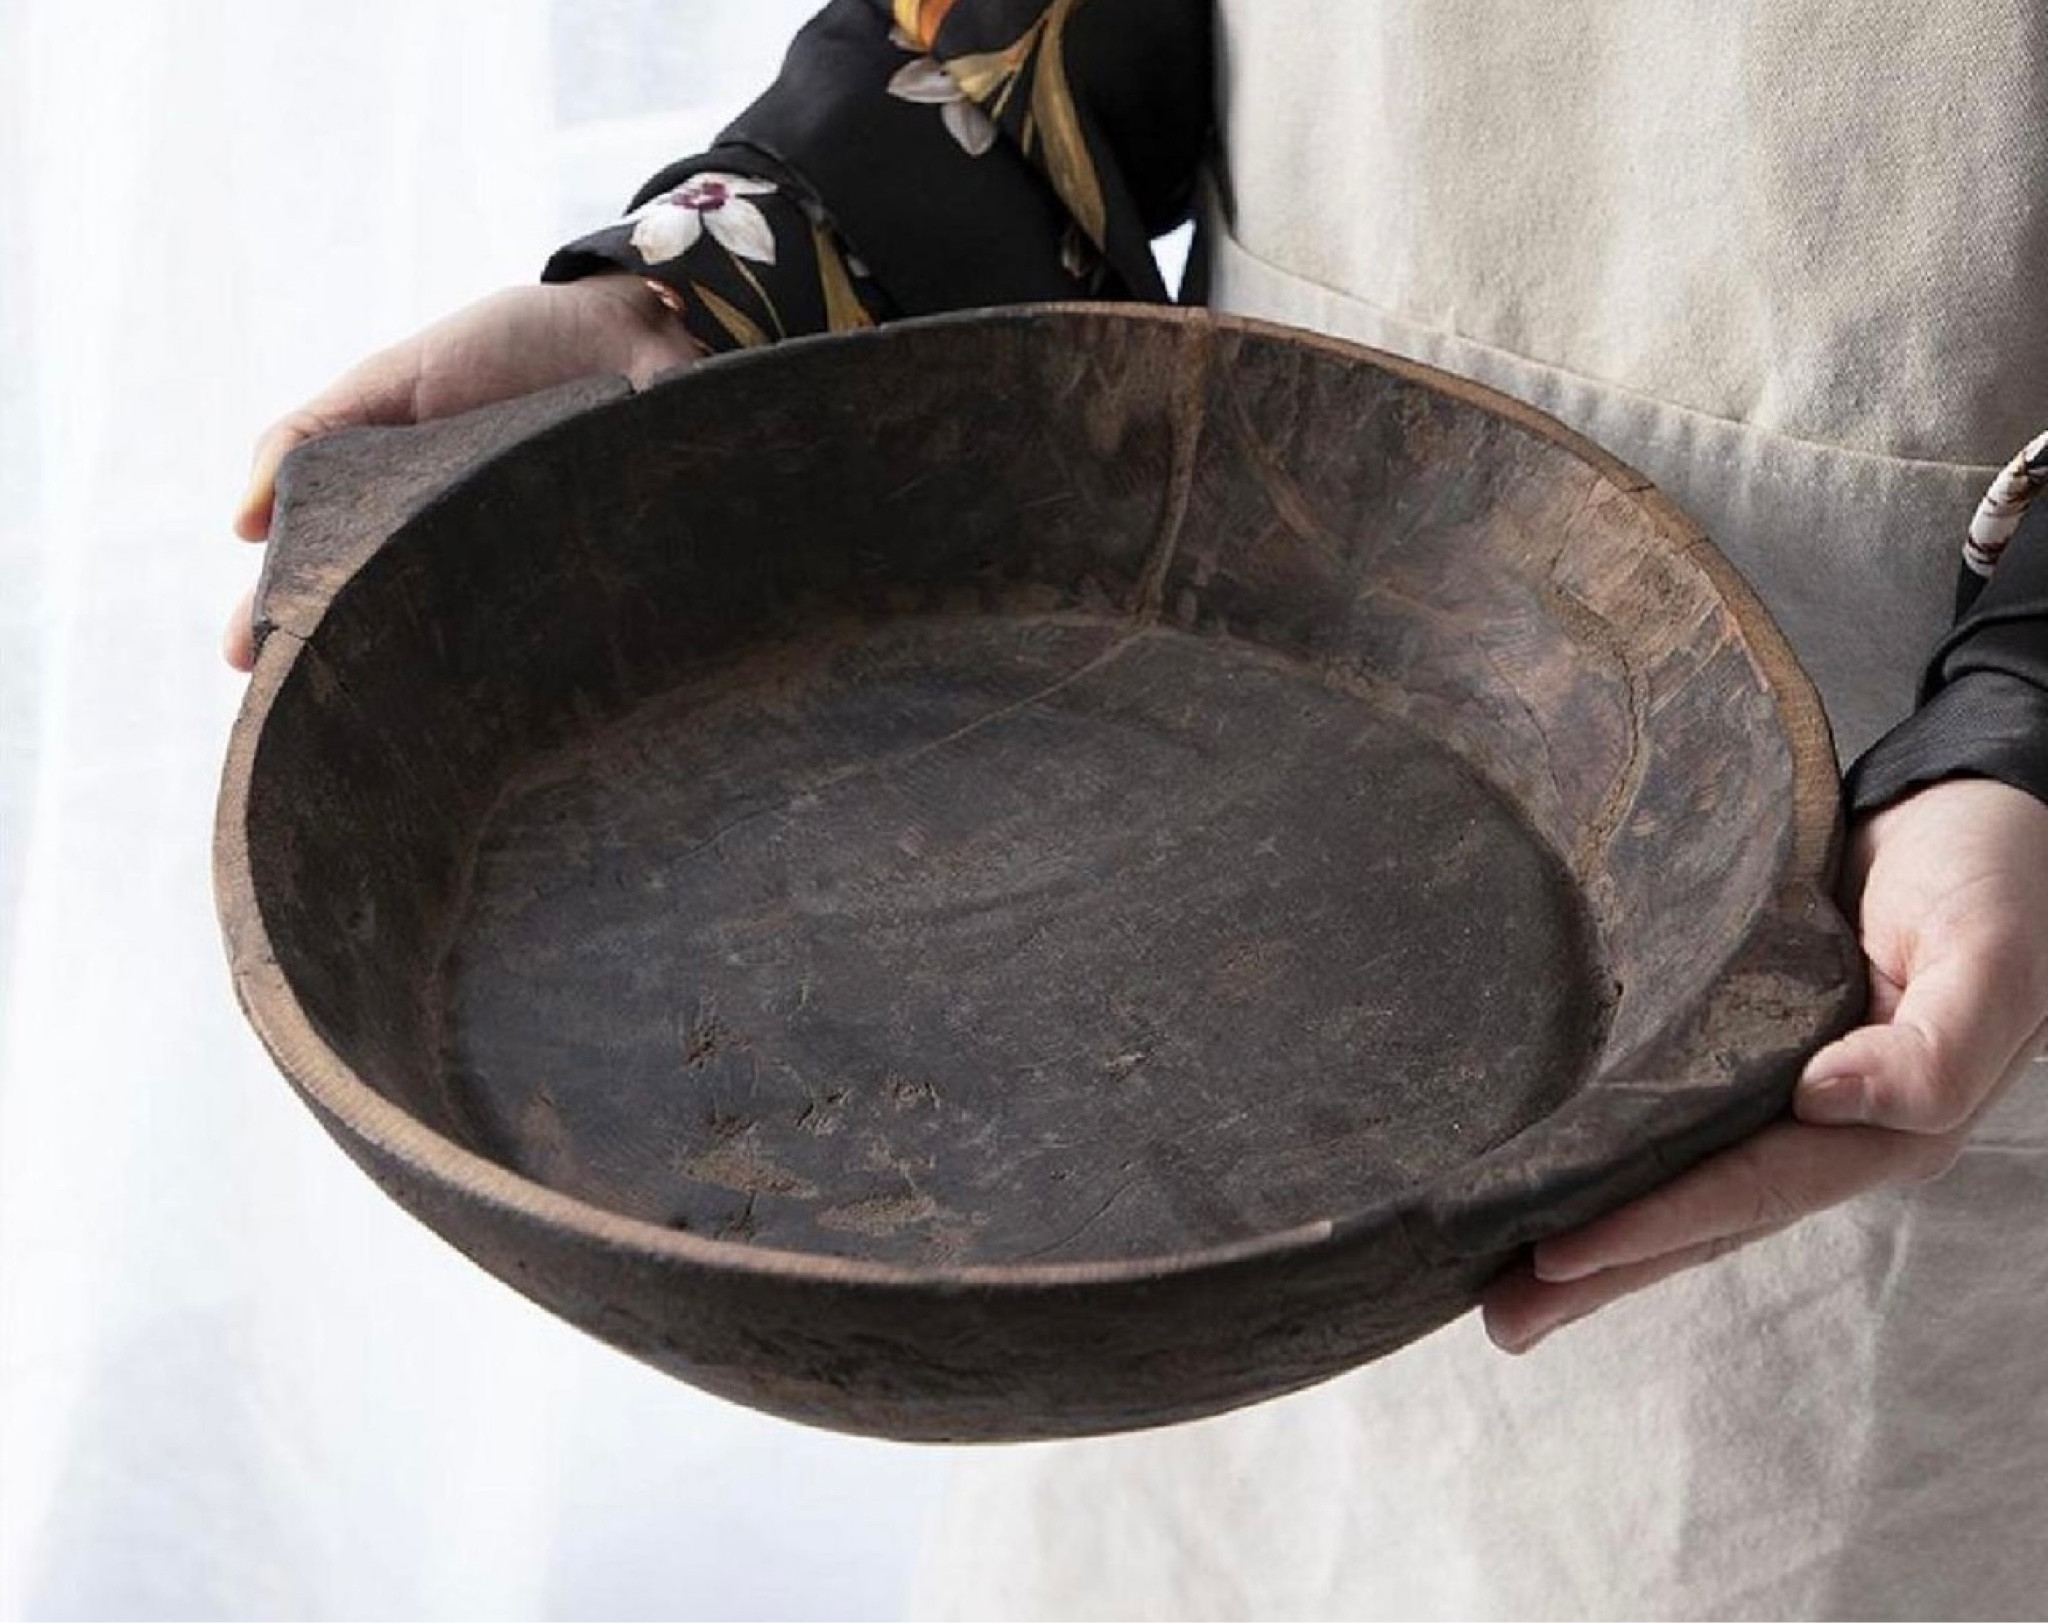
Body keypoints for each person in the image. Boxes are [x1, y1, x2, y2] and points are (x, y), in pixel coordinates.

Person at [227, 2, 2048, 1613]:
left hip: (1913, 935)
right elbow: (1035, 55)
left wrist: (2023, 727)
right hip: (1175, 778)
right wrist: (711, 284)